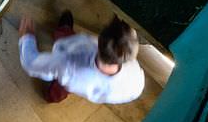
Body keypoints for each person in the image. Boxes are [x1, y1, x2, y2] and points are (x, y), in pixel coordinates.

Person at [16, 11, 144, 105]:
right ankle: (52, 96)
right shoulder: (135, 80)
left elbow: (31, 63)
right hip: (81, 85)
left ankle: (63, 30)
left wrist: (27, 38)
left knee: (66, 43)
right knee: (62, 88)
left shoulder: (69, 62)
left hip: (70, 72)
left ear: (99, 41)